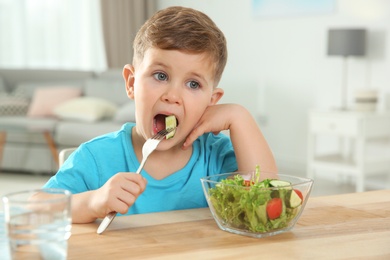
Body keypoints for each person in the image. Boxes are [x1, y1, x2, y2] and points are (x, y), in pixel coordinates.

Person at [43, 6, 277, 224]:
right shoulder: (96, 158)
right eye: (161, 76)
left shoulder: (216, 157)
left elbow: (266, 201)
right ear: (132, 83)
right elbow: (35, 208)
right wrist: (92, 202)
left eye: (193, 84)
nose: (172, 96)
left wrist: (240, 117)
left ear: (211, 101)